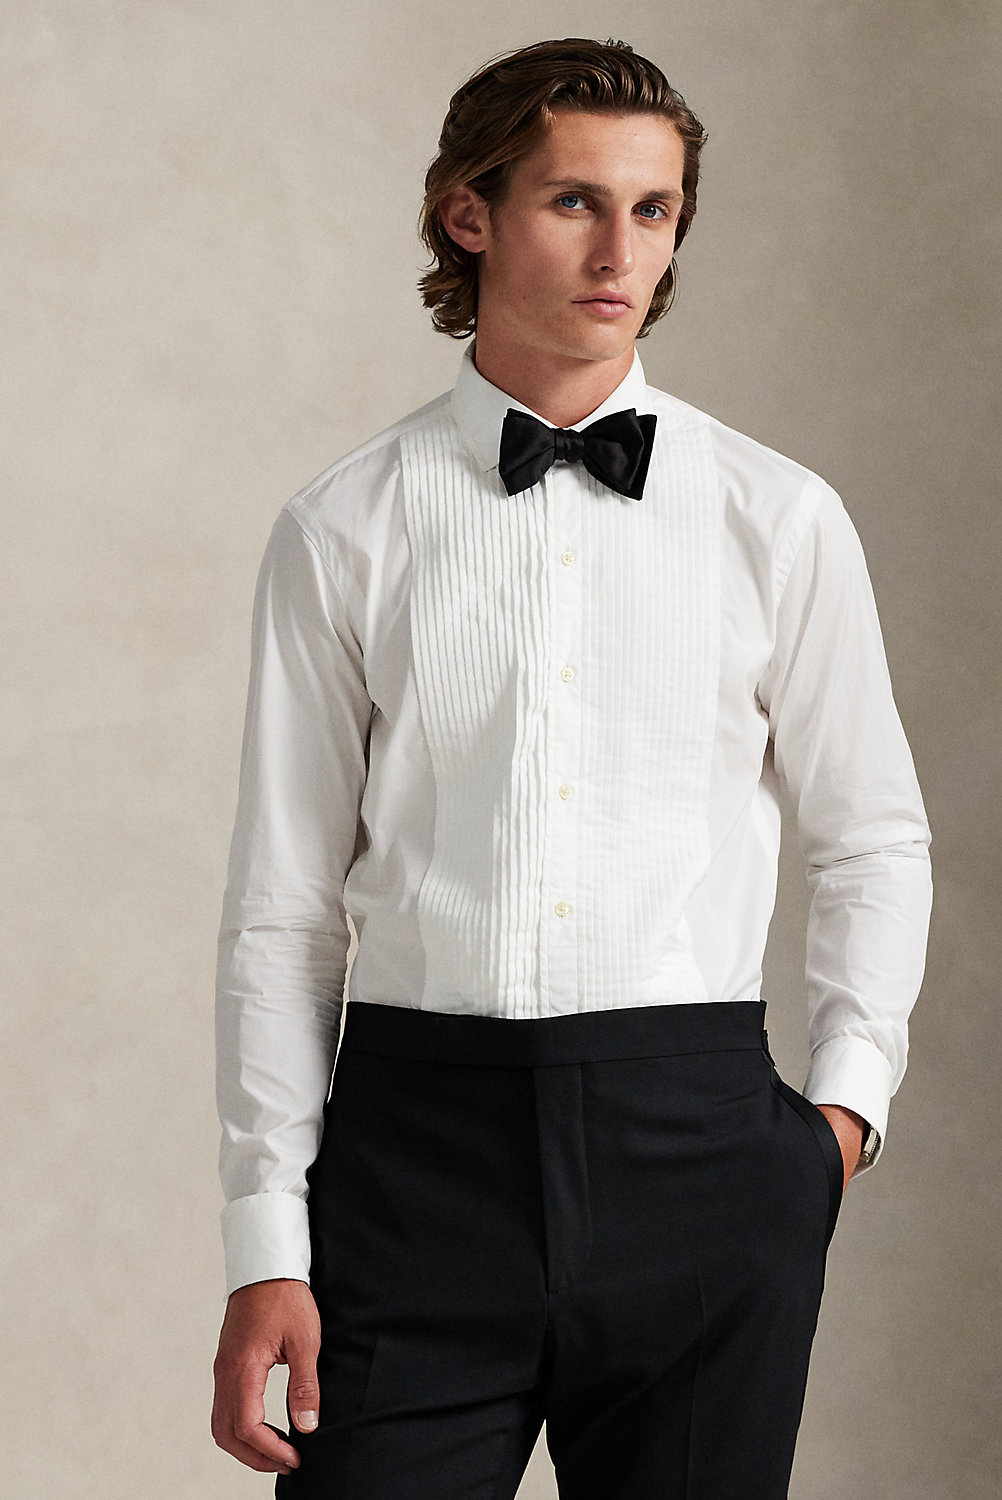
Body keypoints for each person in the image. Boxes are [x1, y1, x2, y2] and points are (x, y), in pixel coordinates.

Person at [210, 36, 932, 1500]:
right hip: (417, 1164)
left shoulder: (779, 518)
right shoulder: (343, 528)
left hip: (704, 1161)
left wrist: (840, 1121)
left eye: (654, 210)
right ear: (468, 213)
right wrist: (265, 1242)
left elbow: (872, 838)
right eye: (574, 202)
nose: (622, 253)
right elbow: (285, 911)